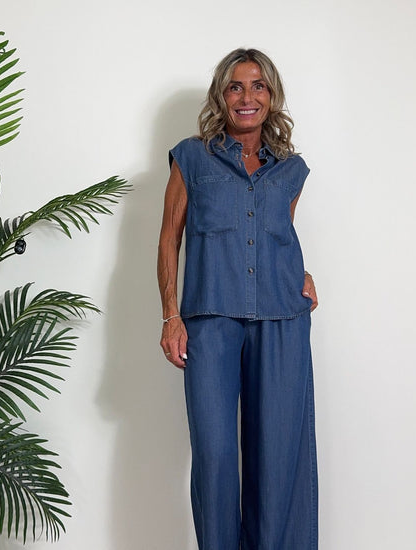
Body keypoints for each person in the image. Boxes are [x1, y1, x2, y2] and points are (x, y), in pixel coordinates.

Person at [157, 48, 319, 550]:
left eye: (258, 86)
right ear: (221, 96)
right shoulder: (191, 157)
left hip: (282, 319)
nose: (247, 97)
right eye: (235, 86)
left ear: (271, 96)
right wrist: (170, 315)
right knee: (216, 456)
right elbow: (169, 239)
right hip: (210, 321)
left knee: (278, 458)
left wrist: (303, 273)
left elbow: (278, 234)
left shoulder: (291, 170)